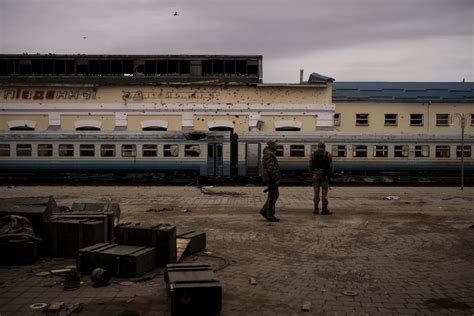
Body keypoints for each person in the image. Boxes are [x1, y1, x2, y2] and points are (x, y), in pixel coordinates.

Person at [259, 140, 280, 222]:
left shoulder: (269, 153)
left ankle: (264, 210)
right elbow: (270, 168)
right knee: (273, 196)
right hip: (271, 178)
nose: (276, 145)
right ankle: (270, 215)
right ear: (271, 145)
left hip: (270, 177)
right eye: (275, 144)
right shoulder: (269, 154)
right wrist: (275, 178)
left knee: (274, 194)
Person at [310, 141, 333, 215]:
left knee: (316, 192)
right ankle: (324, 209)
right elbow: (331, 165)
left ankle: (316, 209)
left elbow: (310, 165)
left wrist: (313, 172)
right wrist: (330, 173)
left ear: (318, 146)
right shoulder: (327, 154)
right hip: (324, 175)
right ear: (324, 147)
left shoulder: (313, 154)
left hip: (316, 175)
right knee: (324, 193)